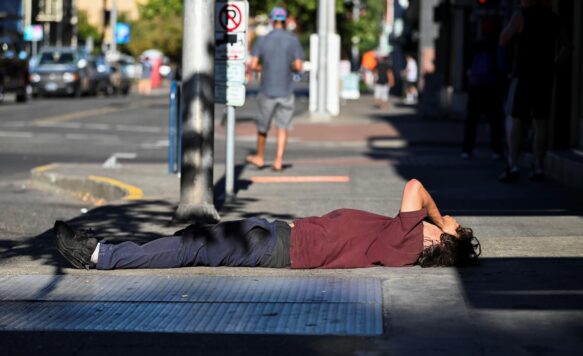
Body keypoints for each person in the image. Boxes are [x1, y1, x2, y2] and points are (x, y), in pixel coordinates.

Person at [53, 179, 481, 270]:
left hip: (273, 245)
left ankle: (98, 254)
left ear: (446, 238)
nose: (454, 219)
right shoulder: (403, 241)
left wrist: (440, 220)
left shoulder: (405, 241)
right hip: (276, 237)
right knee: (191, 239)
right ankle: (111, 248)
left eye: (457, 226)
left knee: (191, 248)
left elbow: (414, 186)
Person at [498, 0, 560, 182]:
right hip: (545, 75)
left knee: (515, 119)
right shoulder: (552, 18)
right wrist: (555, 64)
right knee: (541, 121)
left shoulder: (520, 16)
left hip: (523, 74)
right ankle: (539, 166)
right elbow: (567, 45)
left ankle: (513, 164)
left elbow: (503, 38)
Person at [245, 7, 304, 172]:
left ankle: (260, 156)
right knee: (283, 126)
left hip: (267, 90)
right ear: (285, 21)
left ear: (272, 20)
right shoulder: (293, 40)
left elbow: (254, 65)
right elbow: (299, 66)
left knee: (263, 126)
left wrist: (264, 68)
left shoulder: (263, 40)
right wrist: (288, 66)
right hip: (286, 91)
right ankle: (278, 161)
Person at [461, 35, 505, 160]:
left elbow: (468, 70)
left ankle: (467, 150)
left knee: (471, 121)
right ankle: (496, 150)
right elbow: (502, 67)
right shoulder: (497, 46)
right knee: (494, 121)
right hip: (492, 89)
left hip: (475, 89)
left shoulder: (474, 46)